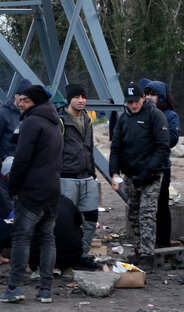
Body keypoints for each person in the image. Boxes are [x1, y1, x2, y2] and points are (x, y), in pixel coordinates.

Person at [0, 85, 63, 304]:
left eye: (25, 100)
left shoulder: (31, 122)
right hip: (52, 190)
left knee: (21, 238)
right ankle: (45, 289)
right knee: (47, 238)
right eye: (19, 100)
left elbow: (22, 159)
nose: (20, 103)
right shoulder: (55, 122)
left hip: (31, 192)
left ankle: (14, 287)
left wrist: (13, 187)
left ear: (35, 102)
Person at [109, 82, 170, 271]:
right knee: (133, 214)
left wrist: (148, 172)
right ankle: (138, 248)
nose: (133, 105)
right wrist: (114, 172)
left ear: (143, 98)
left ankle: (147, 254)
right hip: (130, 175)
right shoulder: (124, 118)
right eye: (130, 103)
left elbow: (162, 146)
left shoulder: (155, 116)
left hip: (151, 175)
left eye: (136, 101)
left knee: (147, 214)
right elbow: (116, 147)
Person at [58, 83, 99, 260]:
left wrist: (92, 170)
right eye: (77, 97)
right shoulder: (60, 120)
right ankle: (67, 257)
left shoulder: (87, 119)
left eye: (83, 97)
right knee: (67, 221)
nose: (81, 100)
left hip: (87, 176)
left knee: (91, 219)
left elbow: (89, 147)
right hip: (67, 178)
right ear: (69, 99)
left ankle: (81, 256)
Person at [144, 81, 180, 248]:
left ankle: (162, 242)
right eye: (147, 94)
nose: (149, 98)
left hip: (162, 168)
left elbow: (171, 139)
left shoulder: (170, 116)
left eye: (153, 94)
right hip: (142, 165)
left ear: (162, 97)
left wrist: (154, 135)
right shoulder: (141, 113)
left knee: (161, 206)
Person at [0, 79, 31, 172]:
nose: (24, 103)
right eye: (22, 98)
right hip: (7, 168)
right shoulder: (2, 114)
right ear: (16, 96)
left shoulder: (31, 114)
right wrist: (0, 165)